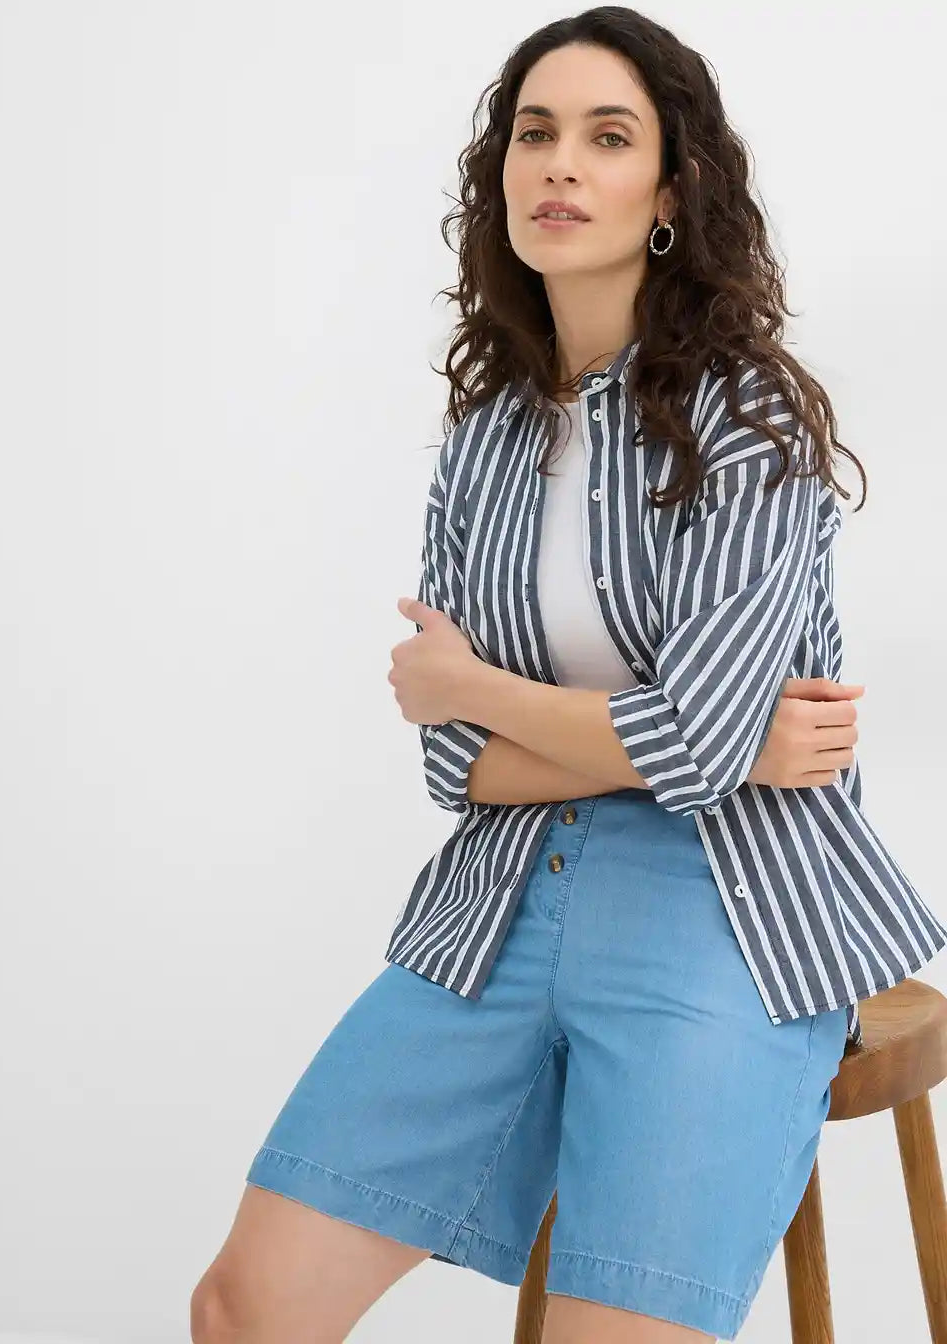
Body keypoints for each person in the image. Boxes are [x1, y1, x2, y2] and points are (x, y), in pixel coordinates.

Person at [190, 10, 947, 1343]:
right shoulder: (485, 436)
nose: (561, 164)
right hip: (503, 896)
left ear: (671, 189)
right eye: (536, 134)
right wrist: (702, 744)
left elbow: (589, 733)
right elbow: (461, 768)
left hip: (725, 911)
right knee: (244, 1306)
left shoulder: (750, 419)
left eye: (608, 138)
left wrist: (478, 691)